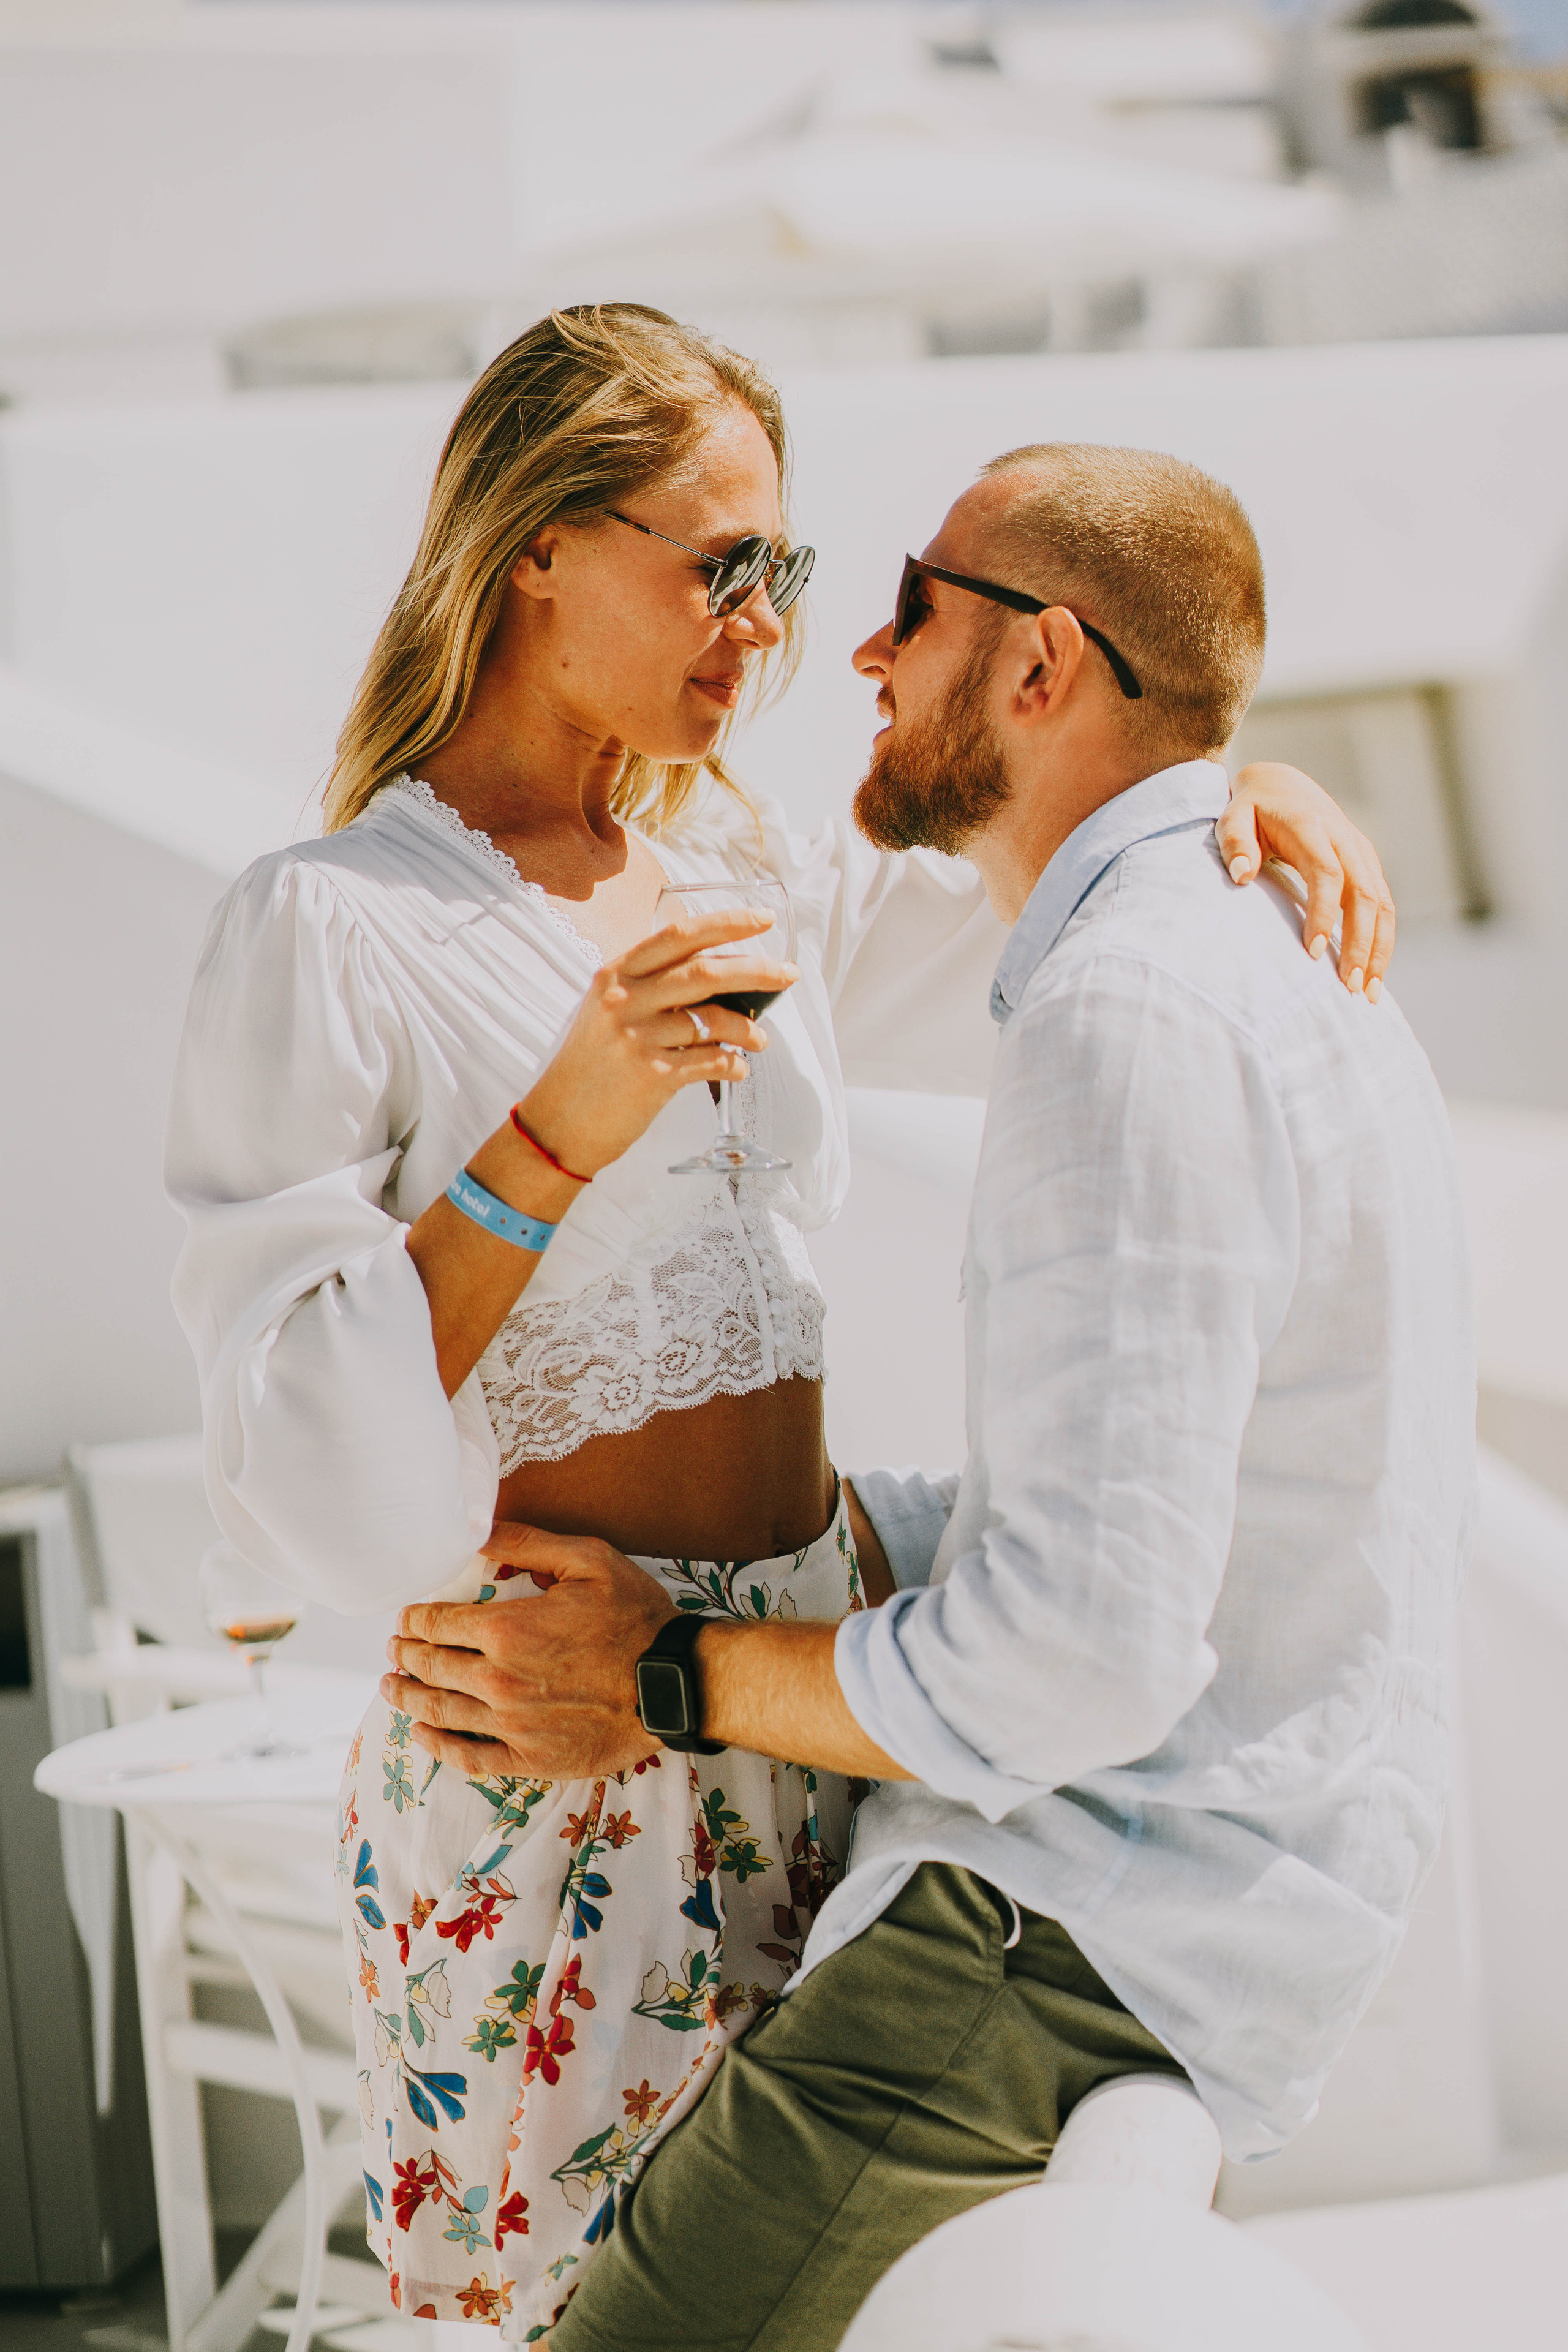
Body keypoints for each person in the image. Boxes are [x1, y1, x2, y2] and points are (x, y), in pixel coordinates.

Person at [165, 305, 1392, 2342]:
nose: (768, 622)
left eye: (790, 570)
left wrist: (1241, 787)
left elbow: (1048, 855)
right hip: (560, 1756)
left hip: (811, 1716)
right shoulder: (332, 931)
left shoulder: (737, 871)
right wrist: (551, 1135)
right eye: (716, 563)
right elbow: (295, 1454)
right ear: (538, 543)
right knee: (590, 2316)